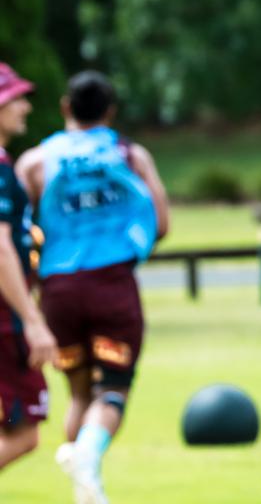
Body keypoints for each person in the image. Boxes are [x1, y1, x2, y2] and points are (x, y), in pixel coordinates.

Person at [16, 70, 169, 504]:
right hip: (114, 287)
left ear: (66, 107)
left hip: (58, 294)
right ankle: (87, 459)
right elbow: (161, 223)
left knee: (79, 391)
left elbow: (17, 231)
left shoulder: (35, 162)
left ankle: (82, 488)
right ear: (111, 111)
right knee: (113, 389)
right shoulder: (129, 155)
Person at [0, 62, 56, 471]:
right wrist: (32, 319)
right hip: (4, 319)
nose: (24, 108)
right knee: (22, 434)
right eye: (15, 99)